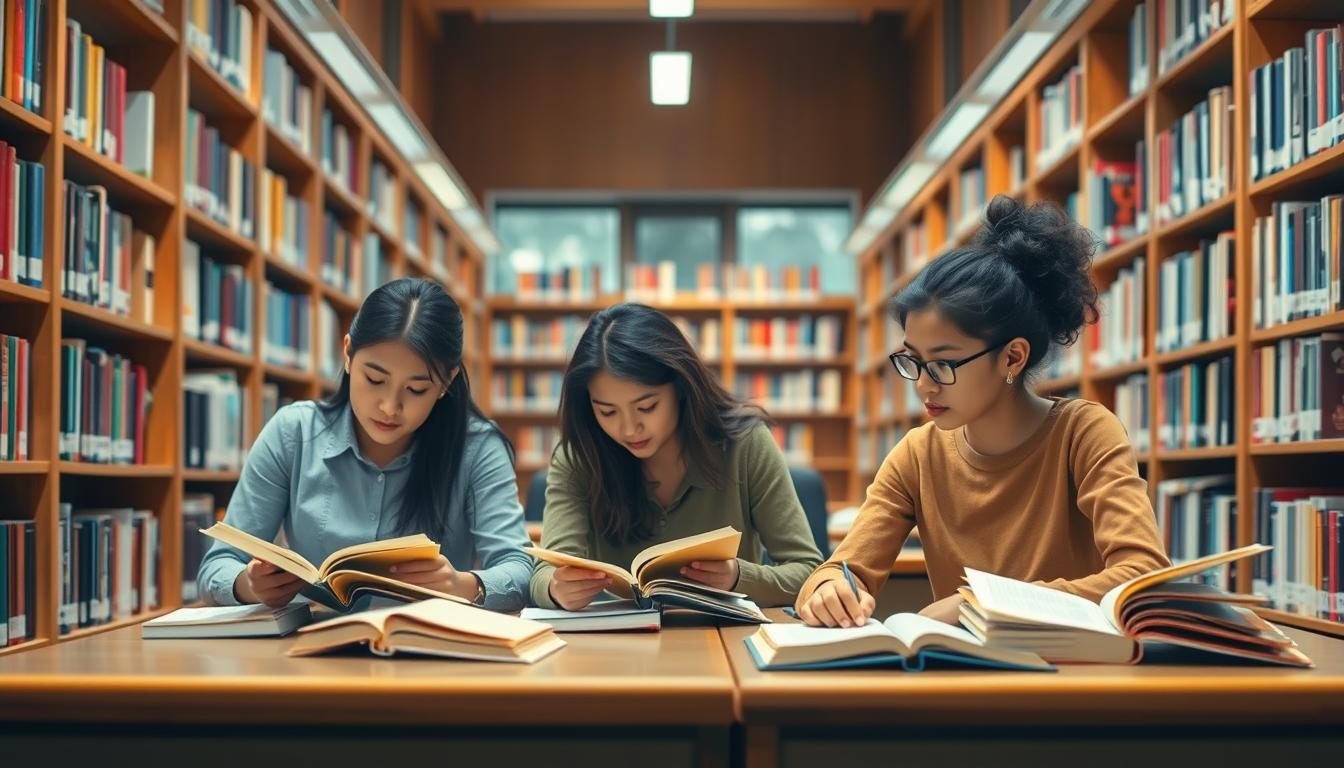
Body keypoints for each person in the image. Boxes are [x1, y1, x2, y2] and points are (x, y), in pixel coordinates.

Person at [798, 195, 1169, 628]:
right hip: (965, 681)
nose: (923, 383)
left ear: (1012, 358)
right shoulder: (919, 454)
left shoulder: (1084, 434)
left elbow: (1143, 576)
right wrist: (828, 590)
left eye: (943, 364)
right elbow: (842, 569)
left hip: (1073, 680)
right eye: (913, 360)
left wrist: (984, 601)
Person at [199, 277, 532, 611]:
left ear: (448, 382)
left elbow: (519, 568)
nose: (389, 406)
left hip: (429, 652)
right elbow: (217, 565)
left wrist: (463, 585)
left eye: (416, 389)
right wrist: (250, 584)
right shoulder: (294, 433)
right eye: (374, 379)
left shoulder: (478, 448)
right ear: (347, 354)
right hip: (313, 650)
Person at [530, 303, 823, 610]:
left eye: (647, 407)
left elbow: (807, 570)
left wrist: (738, 576)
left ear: (681, 386)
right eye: (607, 411)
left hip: (725, 641)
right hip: (621, 641)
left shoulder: (745, 444)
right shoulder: (579, 457)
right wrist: (555, 589)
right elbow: (543, 574)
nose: (630, 428)